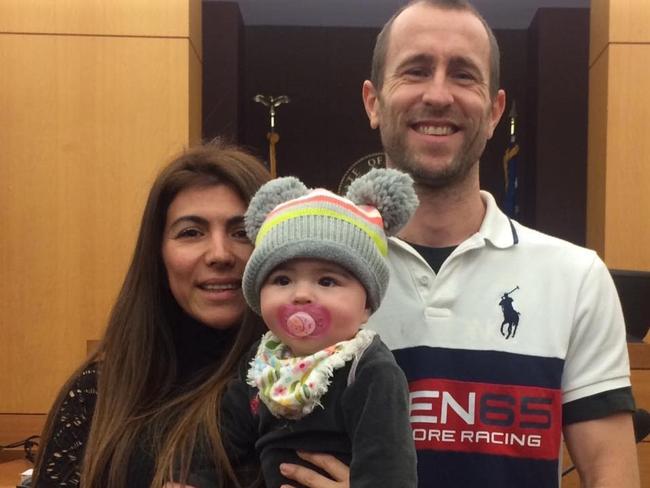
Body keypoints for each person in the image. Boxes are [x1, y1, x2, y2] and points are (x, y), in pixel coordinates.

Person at [351, 0, 641, 487]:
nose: (439, 94)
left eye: (464, 75)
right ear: (374, 102)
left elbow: (613, 474)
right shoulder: (312, 271)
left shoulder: (576, 278)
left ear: (494, 110)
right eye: (416, 70)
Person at [32, 142, 347, 488]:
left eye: (241, 232)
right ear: (159, 255)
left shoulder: (328, 382)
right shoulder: (99, 391)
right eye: (191, 232)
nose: (219, 254)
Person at [213, 168, 419, 488]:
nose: (302, 294)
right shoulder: (261, 365)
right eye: (282, 280)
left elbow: (390, 465)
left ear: (366, 306)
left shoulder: (368, 370)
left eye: (327, 281)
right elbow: (225, 440)